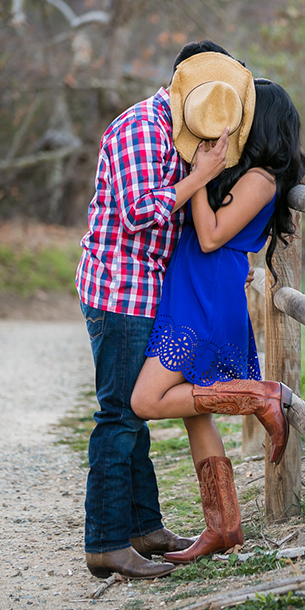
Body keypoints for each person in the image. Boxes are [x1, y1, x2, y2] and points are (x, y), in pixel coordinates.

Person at [76, 40, 249, 580]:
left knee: (137, 416)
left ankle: (143, 528)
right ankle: (105, 541)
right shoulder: (139, 128)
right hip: (119, 289)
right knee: (120, 416)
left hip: (144, 292)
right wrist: (198, 177)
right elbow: (137, 214)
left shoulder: (179, 131)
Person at [130, 73, 305, 564]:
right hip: (192, 288)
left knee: (146, 400)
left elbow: (210, 236)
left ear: (263, 122)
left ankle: (260, 394)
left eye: (244, 114)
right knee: (194, 412)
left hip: (206, 296)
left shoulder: (261, 180)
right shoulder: (245, 174)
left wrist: (200, 173)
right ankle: (224, 526)